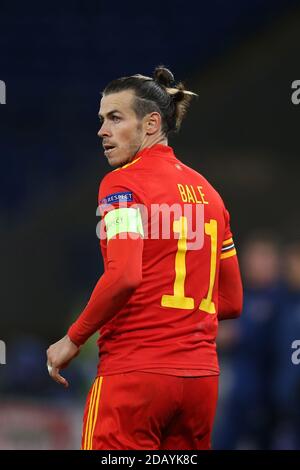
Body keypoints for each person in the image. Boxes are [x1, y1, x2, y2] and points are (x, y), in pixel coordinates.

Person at [47, 66, 243, 450]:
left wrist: (72, 339)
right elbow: (232, 301)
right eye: (102, 120)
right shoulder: (211, 196)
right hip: (200, 382)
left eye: (115, 118)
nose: (102, 130)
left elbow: (123, 276)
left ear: (151, 124)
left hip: (135, 376)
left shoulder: (123, 183)